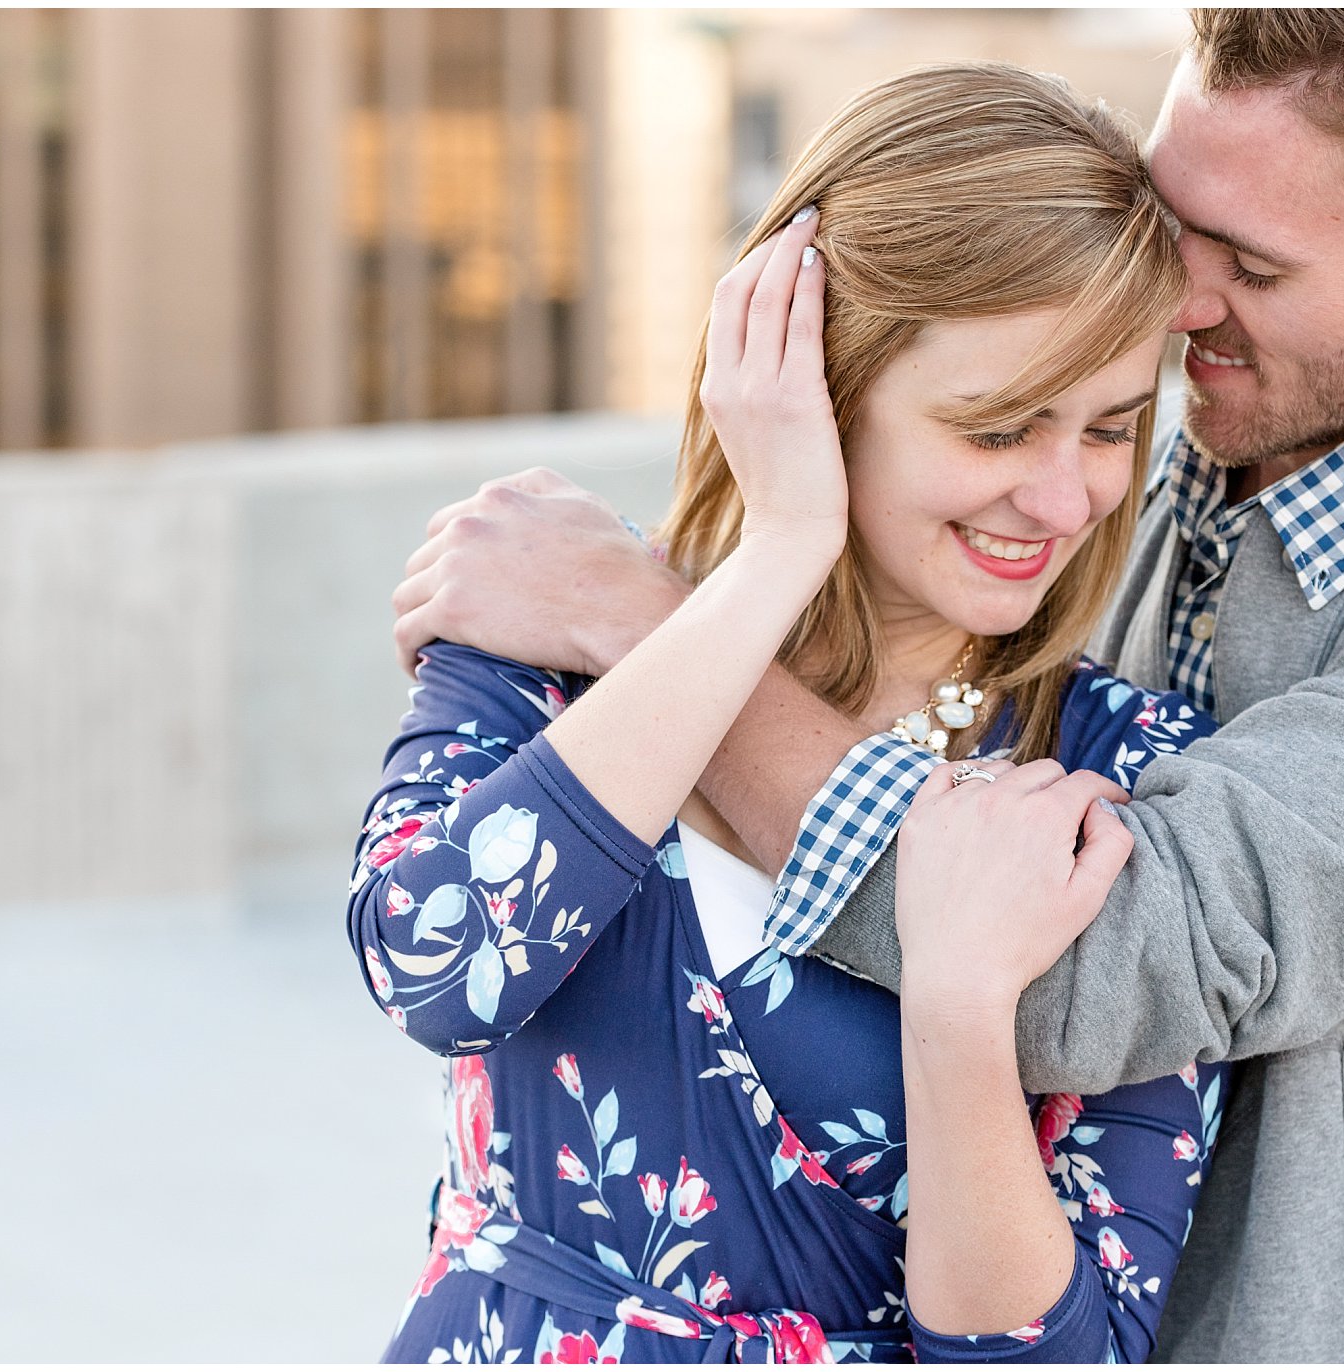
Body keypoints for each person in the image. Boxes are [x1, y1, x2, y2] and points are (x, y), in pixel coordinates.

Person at [388, 9, 1344, 1363]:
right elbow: (433, 953)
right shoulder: (1148, 486)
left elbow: (1099, 957)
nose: (1180, 298)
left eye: (1254, 265)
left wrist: (652, 633)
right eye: (1178, 224)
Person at [353, 64, 1232, 1364]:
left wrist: (957, 1006)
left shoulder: (1121, 774)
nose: (1064, 501)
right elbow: (434, 960)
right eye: (997, 428)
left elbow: (1065, 1351)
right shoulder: (562, 624)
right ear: (812, 384)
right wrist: (778, 554)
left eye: (1110, 428)